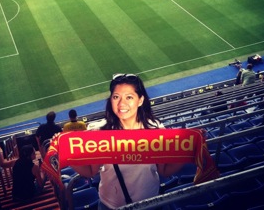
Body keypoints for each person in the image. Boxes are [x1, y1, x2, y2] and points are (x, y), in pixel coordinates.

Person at [72, 74, 183, 209]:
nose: (121, 104)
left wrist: (189, 151)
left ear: (140, 100)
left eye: (129, 97)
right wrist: (64, 153)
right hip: (110, 206)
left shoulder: (155, 129)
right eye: (116, 97)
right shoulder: (100, 132)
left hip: (151, 204)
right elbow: (90, 171)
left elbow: (164, 170)